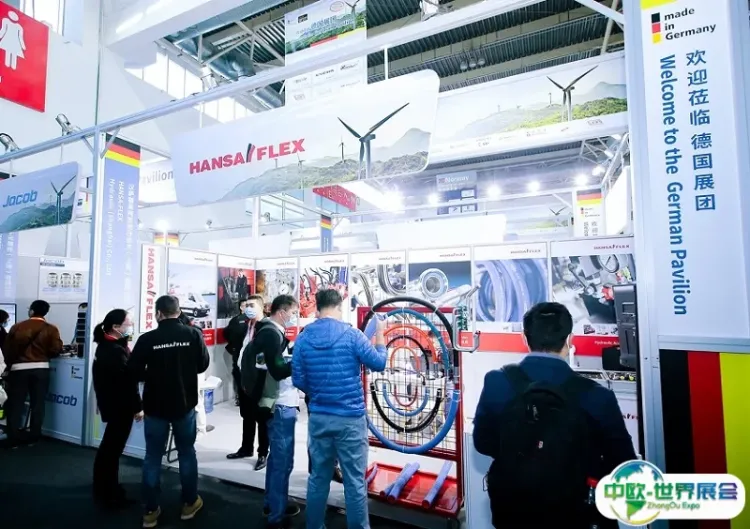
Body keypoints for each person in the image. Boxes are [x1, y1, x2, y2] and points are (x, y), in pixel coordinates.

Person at [473, 302, 636, 528]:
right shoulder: (598, 396)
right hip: (576, 515)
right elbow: (623, 465)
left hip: (514, 513)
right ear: (570, 340)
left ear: (525, 338)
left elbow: (483, 443)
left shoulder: (497, 382)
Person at [292, 289, 387, 529]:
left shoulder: (303, 338)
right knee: (354, 482)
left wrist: (318, 392)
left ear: (317, 308)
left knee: (318, 478)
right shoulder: (352, 335)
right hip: (350, 419)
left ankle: (314, 525)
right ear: (339, 307)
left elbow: (298, 379)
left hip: (319, 417)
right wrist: (380, 334)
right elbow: (379, 363)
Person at [129, 295, 210, 529]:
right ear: (179, 311)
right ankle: (189, 503)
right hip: (184, 404)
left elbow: (133, 370)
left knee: (153, 456)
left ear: (158, 313)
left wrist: (154, 374)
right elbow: (202, 365)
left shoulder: (147, 339)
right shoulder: (193, 334)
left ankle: (150, 511)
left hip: (155, 406)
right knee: (187, 453)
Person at [241, 294, 300, 527]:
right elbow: (277, 370)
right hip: (278, 403)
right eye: (293, 312)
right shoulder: (271, 334)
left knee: (277, 460)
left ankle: (274, 503)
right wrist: (298, 361)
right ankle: (276, 514)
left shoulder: (268, 332)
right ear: (282, 312)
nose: (294, 317)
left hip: (272, 400)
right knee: (282, 462)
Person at [92, 309, 142, 509]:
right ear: (115, 327)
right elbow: (127, 382)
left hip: (112, 404)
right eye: (128, 323)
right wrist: (138, 407)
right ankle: (109, 492)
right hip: (119, 406)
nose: (131, 326)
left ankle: (103, 485)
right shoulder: (113, 350)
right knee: (112, 449)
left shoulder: (109, 346)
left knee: (109, 447)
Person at [3, 300, 63, 447]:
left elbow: (7, 350)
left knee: (15, 404)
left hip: (18, 369)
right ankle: (34, 437)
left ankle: (13, 438)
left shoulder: (17, 327)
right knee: (38, 404)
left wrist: (10, 364)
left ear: (31, 311)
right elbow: (55, 350)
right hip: (41, 369)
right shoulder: (51, 329)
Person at [225, 295, 269, 467]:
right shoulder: (245, 326)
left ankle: (263, 453)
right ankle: (246, 448)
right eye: (246, 305)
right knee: (247, 415)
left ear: (261, 307)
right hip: (243, 377)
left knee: (262, 418)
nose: (248, 309)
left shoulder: (266, 328)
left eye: (252, 305)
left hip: (259, 380)